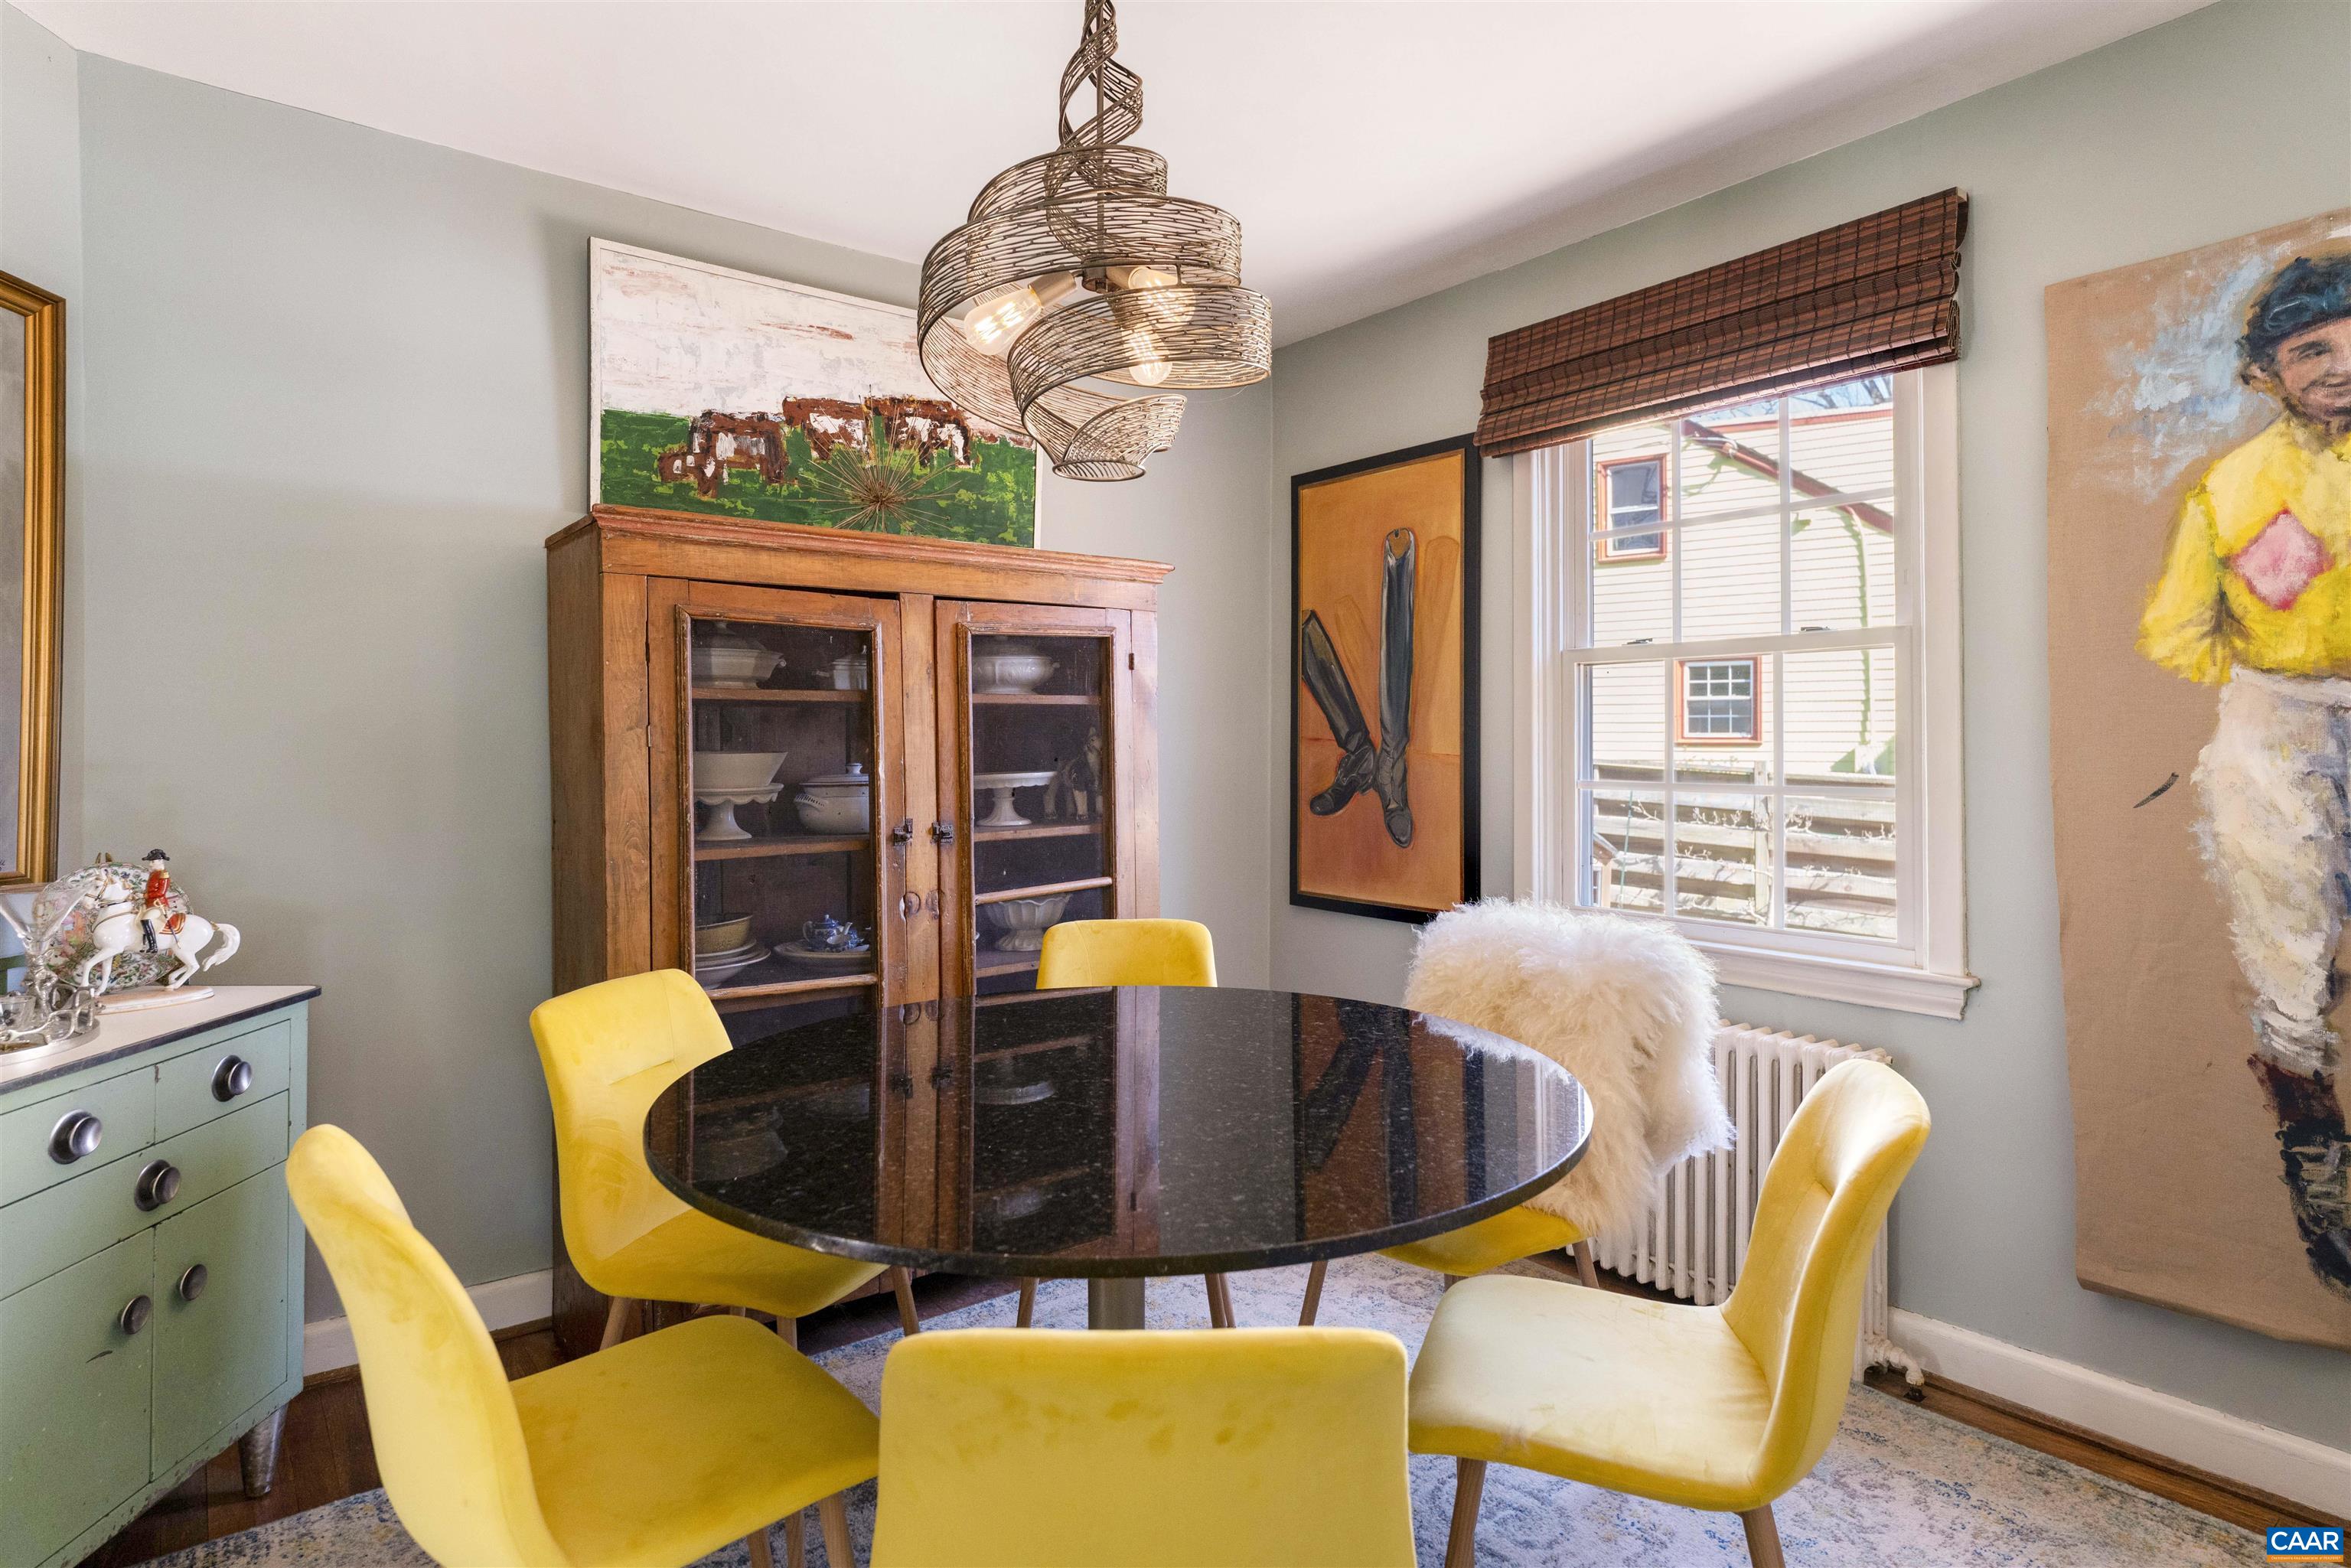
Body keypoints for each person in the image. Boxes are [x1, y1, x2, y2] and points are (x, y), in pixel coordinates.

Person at [2138, 251, 2351, 1297]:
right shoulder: (2237, 483)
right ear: (2270, 369)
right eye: (2313, 349)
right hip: (2284, 717)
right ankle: (2322, 1172)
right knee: (2287, 938)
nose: (2339, 367)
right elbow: (2177, 631)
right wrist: (2280, 634)